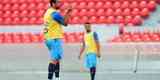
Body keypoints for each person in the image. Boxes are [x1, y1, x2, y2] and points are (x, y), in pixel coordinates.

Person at [43, 0, 72, 80]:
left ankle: (57, 77)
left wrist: (66, 13)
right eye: (58, 2)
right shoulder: (54, 14)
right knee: (54, 59)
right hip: (54, 39)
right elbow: (65, 23)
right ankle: (50, 78)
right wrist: (68, 12)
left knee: (57, 58)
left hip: (48, 38)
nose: (60, 4)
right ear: (53, 3)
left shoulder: (48, 12)